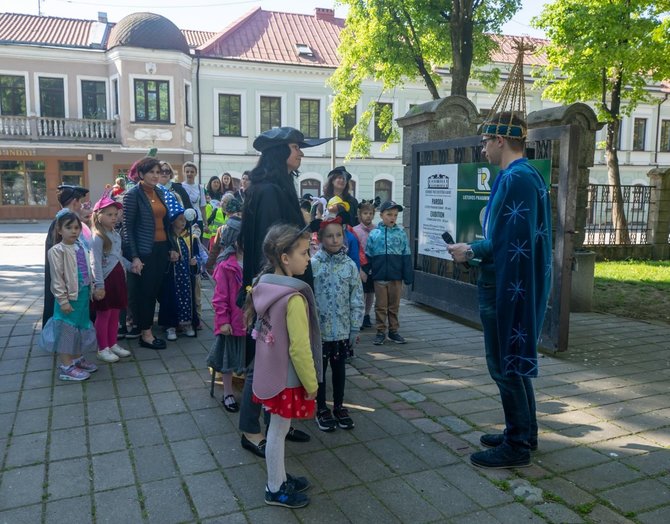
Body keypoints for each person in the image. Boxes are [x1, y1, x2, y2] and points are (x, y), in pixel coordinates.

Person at [448, 111, 552, 469]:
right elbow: (510, 236)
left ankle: (517, 443)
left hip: (504, 286)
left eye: (484, 142)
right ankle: (523, 431)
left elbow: (511, 241)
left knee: (504, 365)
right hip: (507, 280)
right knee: (513, 362)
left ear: (500, 141)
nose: (482, 149)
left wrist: (471, 251)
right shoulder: (523, 175)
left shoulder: (516, 178)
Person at [238, 126, 331, 458]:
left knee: (279, 356)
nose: (301, 153)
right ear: (280, 153)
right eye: (296, 147)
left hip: (281, 285)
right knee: (262, 360)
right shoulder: (268, 191)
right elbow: (271, 246)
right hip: (275, 288)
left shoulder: (279, 186)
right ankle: (251, 429)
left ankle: (278, 421)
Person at [245, 224, 321, 509]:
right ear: (285, 258)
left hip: (268, 373)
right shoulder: (294, 299)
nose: (308, 257)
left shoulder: (265, 285)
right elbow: (300, 349)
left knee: (277, 430)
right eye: (304, 252)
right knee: (277, 431)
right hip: (286, 378)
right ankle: (274, 488)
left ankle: (277, 477)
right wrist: (312, 384)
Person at [311, 217, 363, 432]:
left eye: (338, 235)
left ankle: (340, 406)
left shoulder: (349, 266)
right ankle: (321, 407)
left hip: (342, 330)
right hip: (320, 332)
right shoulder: (313, 265)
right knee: (320, 371)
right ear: (321, 238)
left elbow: (356, 297)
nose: (334, 240)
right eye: (329, 236)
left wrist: (355, 326)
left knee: (340, 369)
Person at [122, 157, 179, 350]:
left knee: (154, 291)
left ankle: (144, 328)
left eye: (158, 172)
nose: (156, 176)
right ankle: (145, 334)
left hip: (162, 249)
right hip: (145, 252)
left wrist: (172, 247)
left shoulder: (159, 193)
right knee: (145, 293)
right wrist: (135, 257)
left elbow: (166, 224)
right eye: (151, 172)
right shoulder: (132, 195)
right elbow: (127, 229)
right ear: (141, 174)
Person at [39, 210, 98, 381]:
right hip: (68, 299)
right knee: (66, 330)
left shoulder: (80, 246)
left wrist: (92, 288)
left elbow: (87, 269)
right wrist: (63, 300)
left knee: (80, 327)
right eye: (69, 227)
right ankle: (66, 365)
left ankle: (77, 358)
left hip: (82, 296)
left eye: (77, 227)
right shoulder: (57, 251)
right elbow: (57, 279)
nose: (74, 231)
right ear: (59, 230)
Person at [90, 191, 133, 363]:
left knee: (115, 313)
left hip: (118, 280)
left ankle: (112, 343)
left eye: (116, 214)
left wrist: (131, 266)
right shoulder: (98, 237)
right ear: (99, 216)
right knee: (104, 315)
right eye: (109, 214)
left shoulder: (115, 234)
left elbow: (118, 256)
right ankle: (102, 348)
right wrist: (99, 285)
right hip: (105, 281)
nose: (114, 217)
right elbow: (95, 262)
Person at [208, 218, 246, 411]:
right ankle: (228, 392)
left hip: (250, 322)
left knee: (249, 358)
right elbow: (220, 298)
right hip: (231, 323)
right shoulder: (225, 266)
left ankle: (250, 391)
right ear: (235, 240)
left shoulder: (256, 262)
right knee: (228, 360)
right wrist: (223, 321)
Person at [366, 200, 413, 345]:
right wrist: (366, 272)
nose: (392, 218)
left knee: (394, 306)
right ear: (381, 215)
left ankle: (393, 331)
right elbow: (368, 254)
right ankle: (380, 331)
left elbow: (406, 254)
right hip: (379, 276)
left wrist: (407, 275)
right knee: (380, 306)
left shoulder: (401, 233)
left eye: (395, 215)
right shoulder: (374, 234)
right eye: (389, 214)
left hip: (396, 277)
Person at [43, 184, 90, 327]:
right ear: (75, 201)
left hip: (77, 279)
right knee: (67, 320)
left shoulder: (67, 218)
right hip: (67, 278)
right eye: (80, 201)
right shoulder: (63, 220)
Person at [158, 200, 198, 341]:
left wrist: (194, 263)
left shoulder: (189, 237)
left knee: (186, 298)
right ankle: (171, 326)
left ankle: (186, 324)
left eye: (184, 220)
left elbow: (196, 256)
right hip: (172, 276)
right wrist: (169, 255)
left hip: (186, 276)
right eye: (180, 219)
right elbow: (161, 255)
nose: (183, 222)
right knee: (171, 299)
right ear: (173, 220)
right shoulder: (167, 239)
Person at [353, 200, 377, 329]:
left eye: (370, 213)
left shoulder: (377, 229)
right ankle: (359, 316)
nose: (368, 216)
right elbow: (355, 250)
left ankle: (367, 315)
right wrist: (360, 268)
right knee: (361, 292)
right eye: (365, 213)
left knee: (371, 291)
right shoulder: (355, 231)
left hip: (373, 264)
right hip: (361, 264)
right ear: (360, 215)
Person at [182, 161, 207, 231]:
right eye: (187, 172)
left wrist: (206, 223)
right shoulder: (180, 187)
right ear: (184, 173)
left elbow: (202, 207)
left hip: (198, 219)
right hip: (184, 219)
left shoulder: (200, 187)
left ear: (196, 173)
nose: (189, 174)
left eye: (192, 172)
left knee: (197, 241)